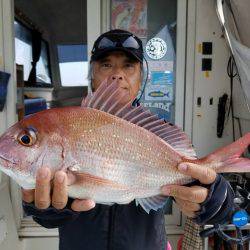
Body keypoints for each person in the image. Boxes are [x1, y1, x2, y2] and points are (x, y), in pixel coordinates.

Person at [22, 29, 235, 250]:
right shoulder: (69, 125)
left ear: (141, 76)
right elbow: (47, 212)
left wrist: (215, 198)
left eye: (128, 66)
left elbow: (214, 201)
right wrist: (48, 210)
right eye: (106, 65)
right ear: (91, 74)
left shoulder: (159, 134)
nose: (117, 75)